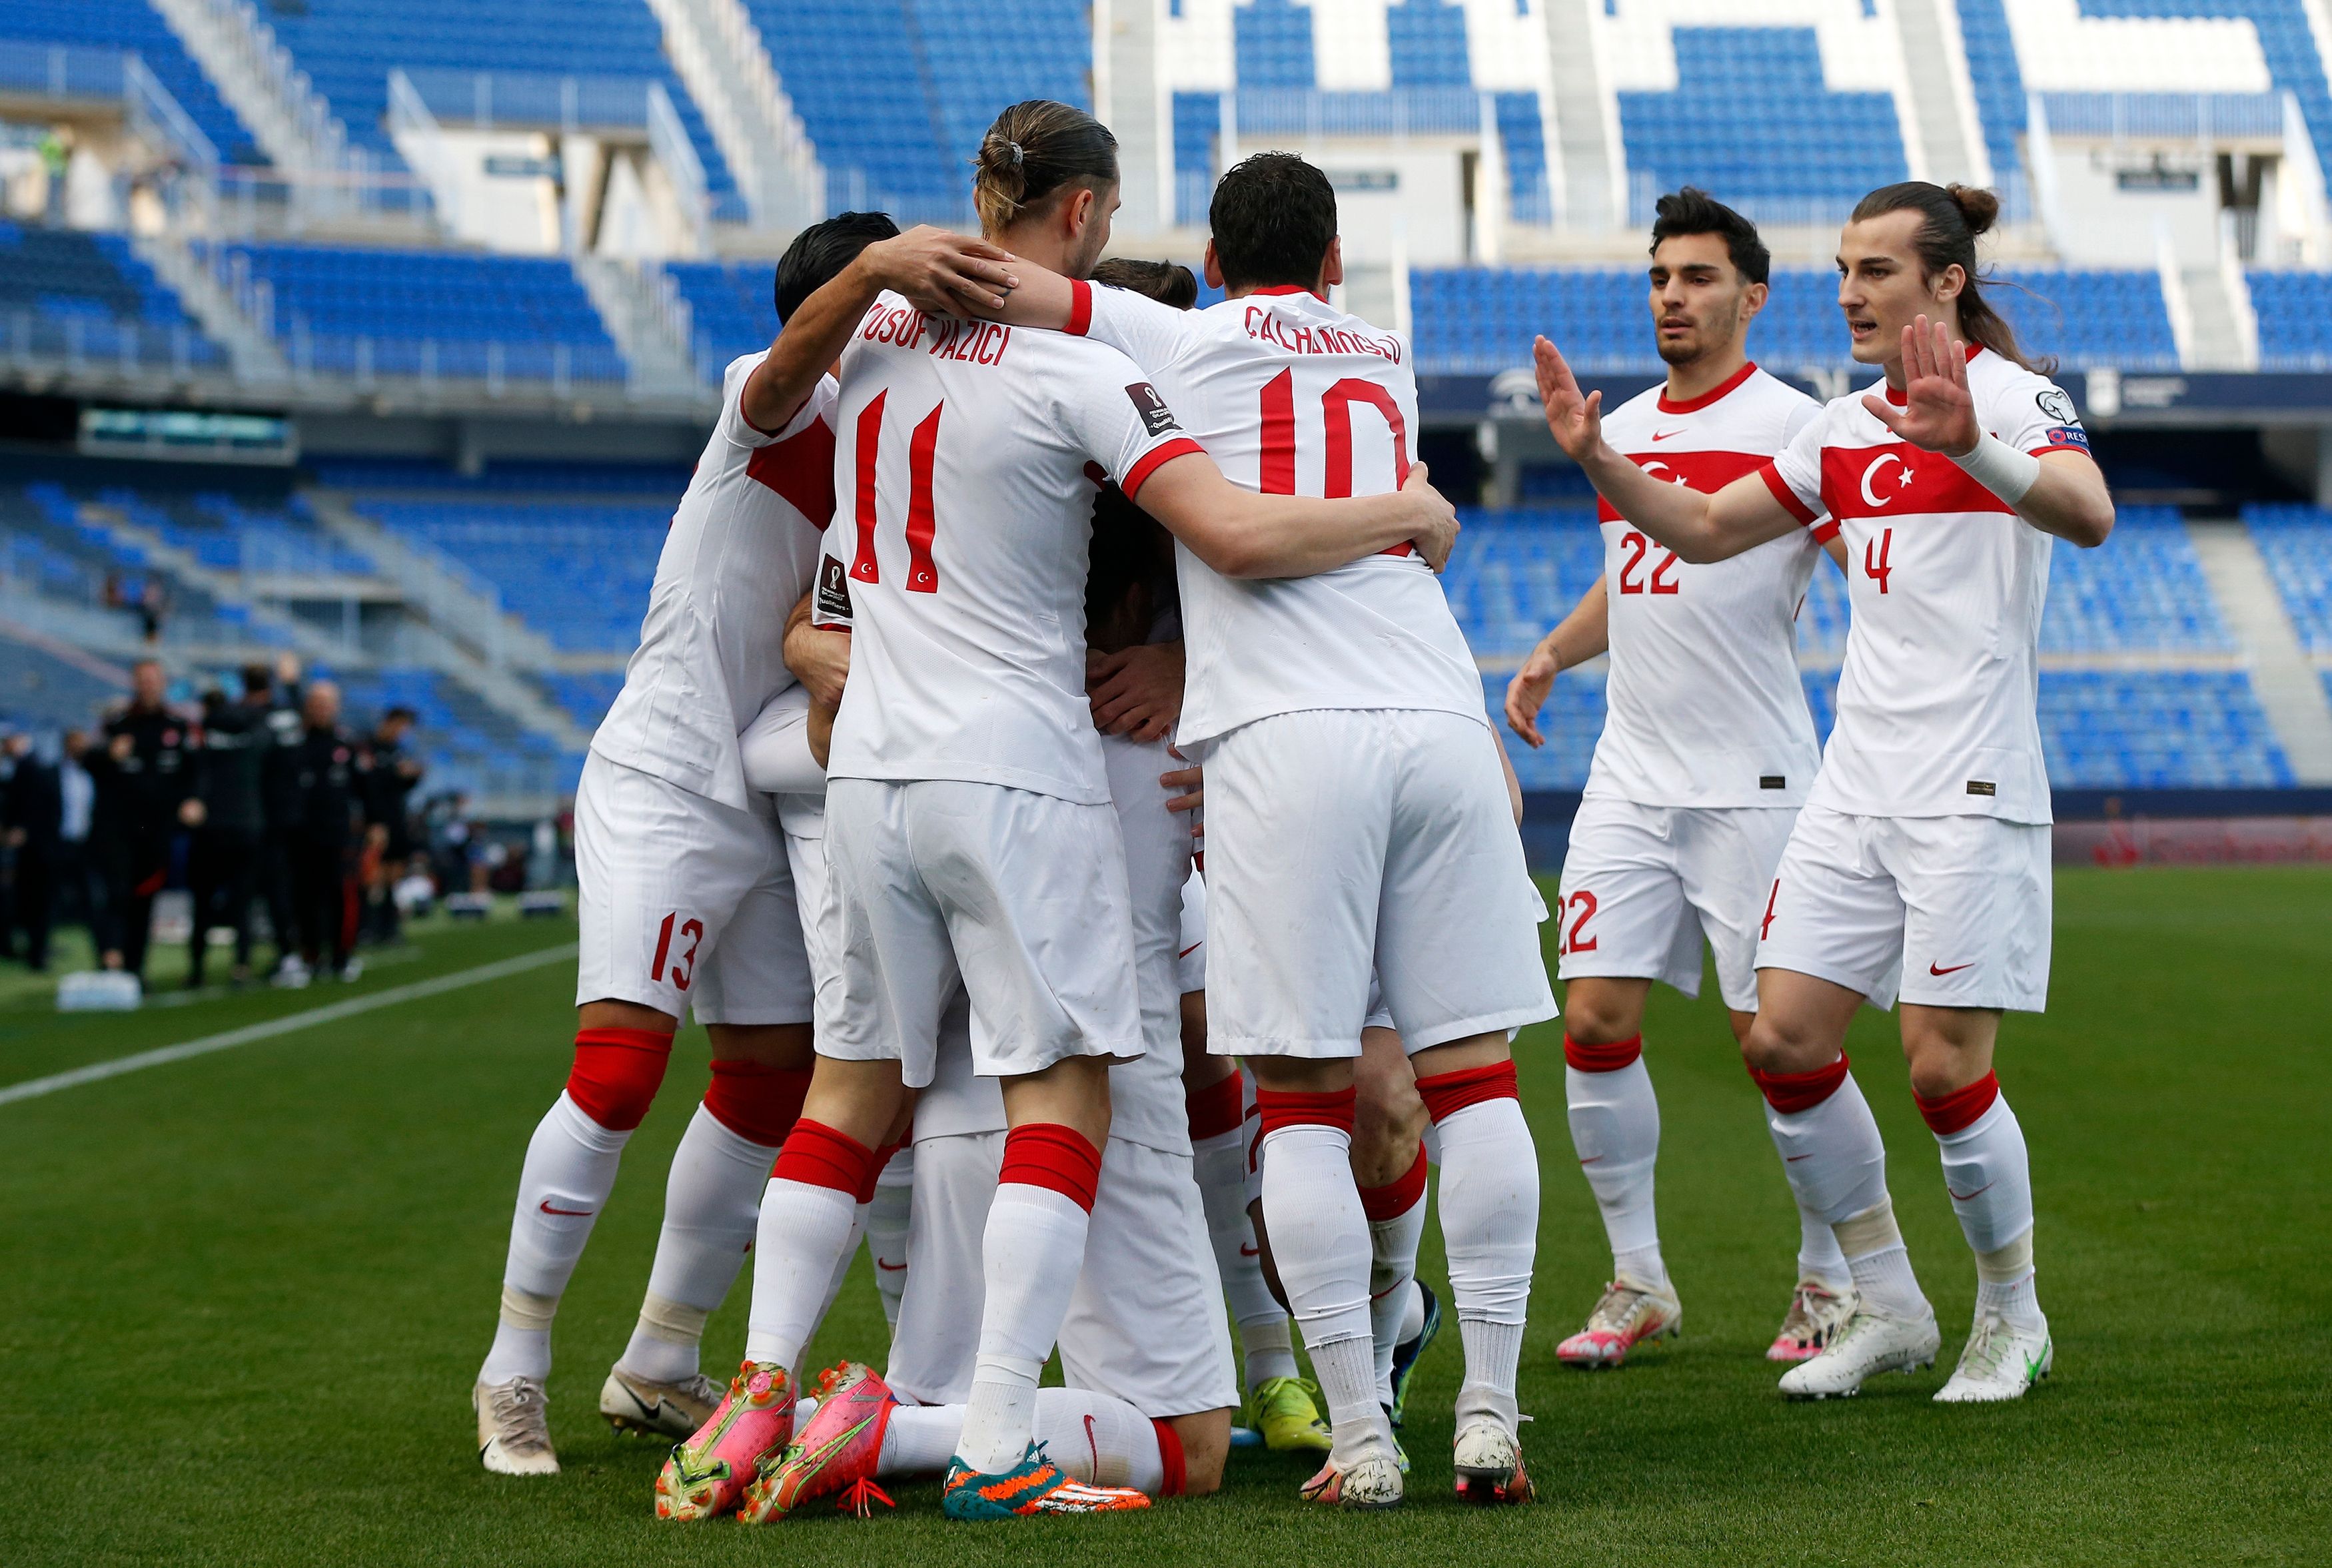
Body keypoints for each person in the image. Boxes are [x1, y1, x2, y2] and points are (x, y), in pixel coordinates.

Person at [672, 101, 1455, 1525]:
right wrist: (1400, 511)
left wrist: (863, 279)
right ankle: (986, 1441)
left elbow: (763, 404)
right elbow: (1230, 529)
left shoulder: (874, 346)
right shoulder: (1077, 367)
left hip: (871, 781)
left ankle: (763, 1383)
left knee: (847, 1096)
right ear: (1086, 217)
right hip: (1010, 772)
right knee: (1075, 1092)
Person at [992, 149, 1552, 1507]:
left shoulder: (1178, 335)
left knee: (1297, 1106)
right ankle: (1489, 1409)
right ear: (1337, 259)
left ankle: (1361, 1436)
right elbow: (1398, 515)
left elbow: (1018, 291)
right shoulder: (1387, 352)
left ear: (1216, 253)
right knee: (1471, 1080)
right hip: (1438, 713)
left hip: (1286, 739)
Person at [1532, 181, 2114, 1404]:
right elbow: (1696, 527)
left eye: (1878, 272)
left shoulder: (2011, 396)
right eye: (1845, 269)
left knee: (1945, 1070)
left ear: (1946, 282)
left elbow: (2091, 512)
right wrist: (1598, 459)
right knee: (1788, 1041)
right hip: (1855, 779)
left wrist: (1972, 446)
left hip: (1970, 776)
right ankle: (1888, 1299)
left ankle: (2013, 1314)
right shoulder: (1843, 424)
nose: (1851, 291)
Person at [471, 211, 1005, 1479]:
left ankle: (660, 1356)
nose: (910, 325)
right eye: (892, 299)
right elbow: (779, 378)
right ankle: (513, 1368)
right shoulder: (765, 396)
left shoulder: (897, 438)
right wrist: (873, 270)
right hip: (667, 768)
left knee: (773, 1077)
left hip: (772, 786)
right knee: (617, 1070)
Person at [1502, 189, 1858, 1370]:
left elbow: (1857, 550)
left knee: (1780, 1038)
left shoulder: (1801, 426)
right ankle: (1639, 1276)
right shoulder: (1630, 424)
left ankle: (1829, 1273)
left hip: (1755, 781)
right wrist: (1556, 647)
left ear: (1752, 297)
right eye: (1660, 277)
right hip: (1630, 773)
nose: (1672, 296)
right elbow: (1640, 562)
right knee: (1594, 1020)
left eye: (1699, 277)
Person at [85, 658, 197, 980]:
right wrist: (109, 755)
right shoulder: (115, 723)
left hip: (156, 829)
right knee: (115, 893)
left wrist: (191, 801)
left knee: (145, 897)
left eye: (153, 680)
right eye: (142, 680)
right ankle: (110, 959)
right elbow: (88, 760)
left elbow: (194, 772)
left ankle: (136, 967)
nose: (148, 686)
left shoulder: (177, 725)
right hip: (117, 827)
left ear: (163, 684)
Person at [187, 685, 268, 987]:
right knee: (242, 902)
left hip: (211, 827)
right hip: (247, 824)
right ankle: (242, 965)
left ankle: (197, 968)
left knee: (203, 903)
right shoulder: (253, 731)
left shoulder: (202, 735)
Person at [287, 681, 360, 982]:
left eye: (327, 703)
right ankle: (311, 954)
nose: (321, 708)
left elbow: (363, 789)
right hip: (302, 834)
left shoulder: (347, 745)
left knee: (340, 896)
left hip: (338, 835)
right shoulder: (296, 744)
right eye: (316, 702)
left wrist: (374, 823)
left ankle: (342, 956)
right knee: (305, 898)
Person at [357, 706, 424, 945]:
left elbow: (398, 786)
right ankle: (366, 927)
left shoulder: (397, 751)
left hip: (396, 818)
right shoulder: (369, 747)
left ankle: (388, 927)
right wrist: (373, 821)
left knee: (393, 875)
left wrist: (413, 777)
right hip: (376, 820)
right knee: (372, 875)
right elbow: (368, 786)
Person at [1, 733, 61, 971]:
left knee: (35, 900)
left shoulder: (31, 767)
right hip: (35, 848)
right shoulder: (25, 767)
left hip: (36, 849)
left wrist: (20, 828)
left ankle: (36, 950)